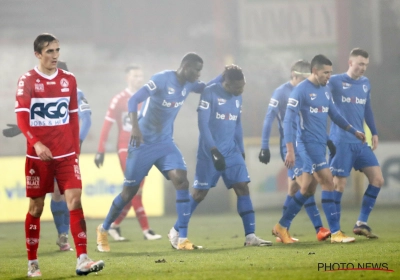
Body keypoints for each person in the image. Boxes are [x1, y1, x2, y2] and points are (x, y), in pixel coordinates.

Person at [96, 52, 211, 252]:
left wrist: (225, 77)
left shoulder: (190, 84)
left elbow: (208, 87)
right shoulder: (161, 79)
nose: (199, 75)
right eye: (197, 70)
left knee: (182, 180)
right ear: (185, 66)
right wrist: (135, 128)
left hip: (165, 143)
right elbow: (133, 101)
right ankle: (104, 228)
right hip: (142, 143)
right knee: (129, 192)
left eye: (201, 71)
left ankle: (181, 237)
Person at [15, 33, 104, 277]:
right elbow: (22, 117)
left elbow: (74, 116)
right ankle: (32, 262)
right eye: (49, 51)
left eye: (57, 50)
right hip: (38, 157)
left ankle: (82, 258)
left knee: (74, 200)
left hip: (66, 155)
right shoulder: (28, 81)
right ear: (38, 54)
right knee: (36, 207)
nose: (55, 56)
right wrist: (35, 143)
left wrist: (75, 149)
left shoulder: (69, 80)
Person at [168, 65, 272, 249]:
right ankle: (176, 230)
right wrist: (214, 151)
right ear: (226, 83)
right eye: (237, 87)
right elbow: (203, 124)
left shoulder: (237, 96)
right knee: (199, 194)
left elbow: (238, 123)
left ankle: (251, 236)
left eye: (243, 86)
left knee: (242, 188)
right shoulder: (210, 93)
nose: (241, 90)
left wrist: (240, 149)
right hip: (209, 153)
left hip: (231, 151)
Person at [272, 54, 366, 244]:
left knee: (306, 189)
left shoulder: (324, 90)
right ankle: (336, 233)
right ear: (315, 71)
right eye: (325, 72)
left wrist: (353, 130)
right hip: (306, 145)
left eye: (330, 72)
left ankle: (281, 227)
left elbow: (334, 114)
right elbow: (289, 121)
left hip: (319, 144)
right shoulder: (300, 91)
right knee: (328, 183)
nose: (329, 76)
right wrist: (290, 150)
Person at [4, 61, 92, 252]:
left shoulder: (75, 92)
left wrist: (79, 143)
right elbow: (45, 118)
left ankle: (63, 235)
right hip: (45, 151)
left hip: (65, 150)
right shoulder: (40, 89)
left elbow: (87, 118)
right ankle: (56, 240)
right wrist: (22, 130)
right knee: (45, 199)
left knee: (61, 193)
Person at [259, 60, 331, 242]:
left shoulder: (309, 90)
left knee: (294, 189)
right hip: (290, 146)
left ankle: (283, 231)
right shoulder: (281, 92)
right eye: (305, 77)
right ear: (295, 76)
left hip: (305, 143)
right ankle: (318, 228)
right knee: (306, 185)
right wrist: (264, 146)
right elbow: (269, 119)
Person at [94, 65, 162, 241]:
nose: (139, 78)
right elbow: (107, 124)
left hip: (144, 148)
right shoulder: (119, 99)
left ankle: (113, 226)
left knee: (133, 191)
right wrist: (101, 149)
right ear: (127, 78)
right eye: (135, 75)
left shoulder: (147, 99)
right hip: (126, 147)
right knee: (134, 188)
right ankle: (147, 230)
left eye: (141, 75)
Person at [328, 48, 382, 238]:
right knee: (339, 185)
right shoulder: (335, 81)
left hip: (360, 143)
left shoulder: (366, 83)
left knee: (377, 179)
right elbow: (323, 102)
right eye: (360, 64)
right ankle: (335, 229)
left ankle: (361, 222)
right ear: (350, 63)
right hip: (341, 141)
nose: (363, 68)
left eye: (366, 65)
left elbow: (367, 109)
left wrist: (374, 132)